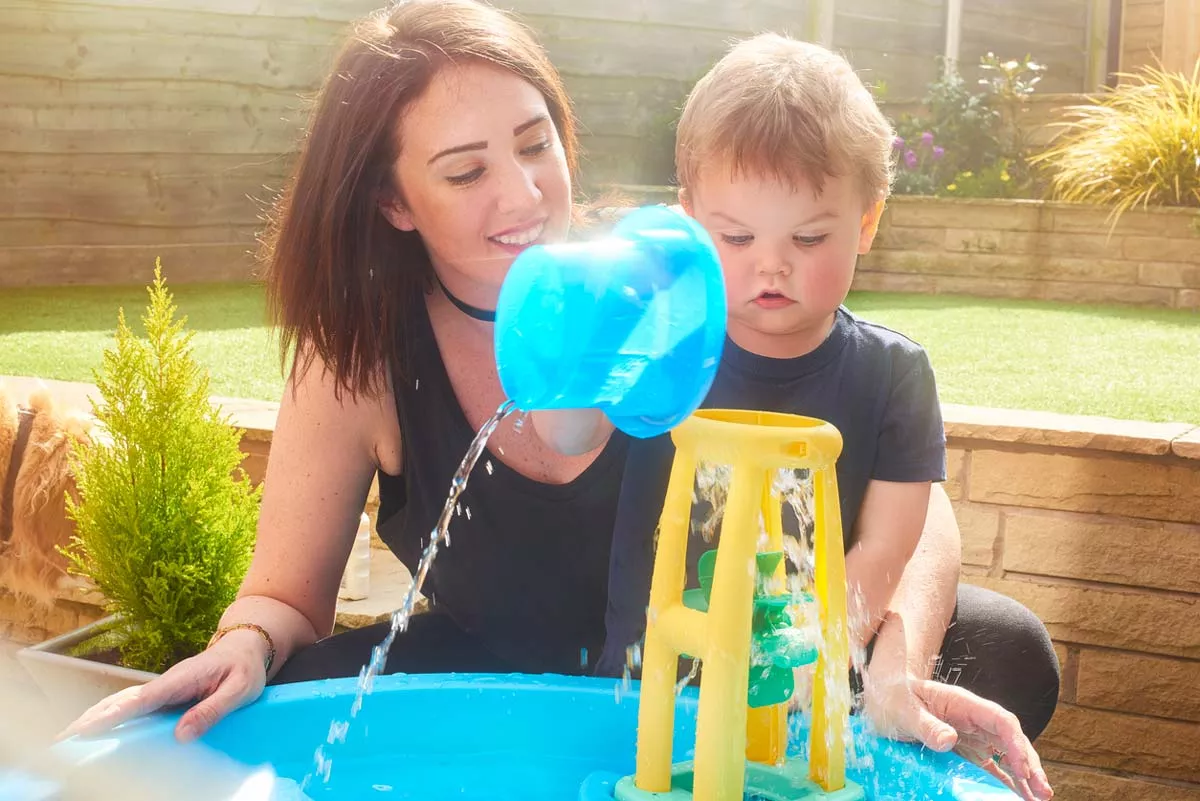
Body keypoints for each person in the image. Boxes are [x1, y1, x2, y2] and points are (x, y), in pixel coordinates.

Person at [61, 4, 1051, 797]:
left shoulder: (672, 276)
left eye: (536, 144)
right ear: (395, 203)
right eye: (467, 170)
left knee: (1001, 644)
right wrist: (240, 647)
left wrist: (893, 651)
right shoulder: (361, 352)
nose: (526, 192)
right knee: (265, 709)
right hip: (503, 663)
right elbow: (285, 596)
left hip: (722, 655)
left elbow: (902, 489)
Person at [542, 34, 1059, 801]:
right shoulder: (668, 344)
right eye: (736, 236)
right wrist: (592, 335)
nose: (771, 264)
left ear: (868, 222)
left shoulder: (892, 373)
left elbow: (889, 542)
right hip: (651, 694)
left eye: (808, 237)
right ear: (690, 223)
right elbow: (566, 438)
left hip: (808, 709)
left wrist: (816, 656)